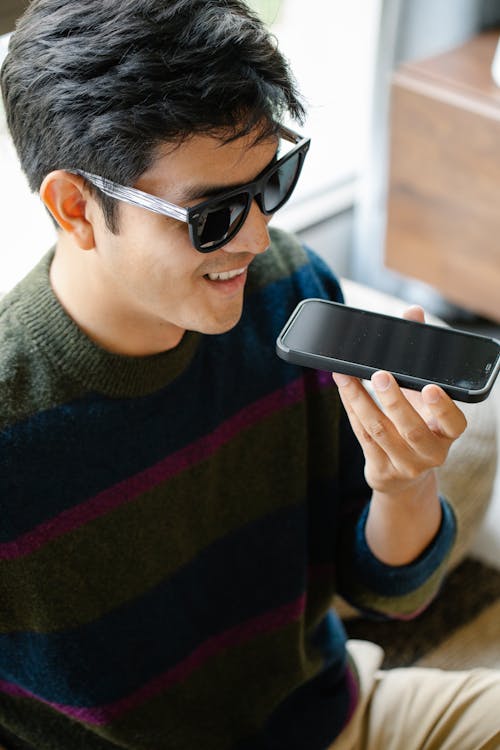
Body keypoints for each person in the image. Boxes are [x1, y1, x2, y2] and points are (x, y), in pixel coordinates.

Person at [0, 1, 498, 749]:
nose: (259, 236)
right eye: (214, 215)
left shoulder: (289, 286)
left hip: (334, 718)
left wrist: (403, 485)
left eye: (271, 183)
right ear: (76, 208)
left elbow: (391, 596)